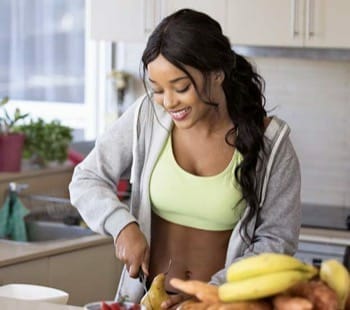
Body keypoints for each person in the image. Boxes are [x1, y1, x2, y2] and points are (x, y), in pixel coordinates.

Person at [69, 8, 301, 309]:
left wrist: (209, 292)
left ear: (217, 73)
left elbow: (277, 243)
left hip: (220, 305)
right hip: (148, 302)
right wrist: (122, 225)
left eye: (181, 88)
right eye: (157, 90)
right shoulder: (147, 116)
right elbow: (86, 179)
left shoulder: (272, 142)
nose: (168, 102)